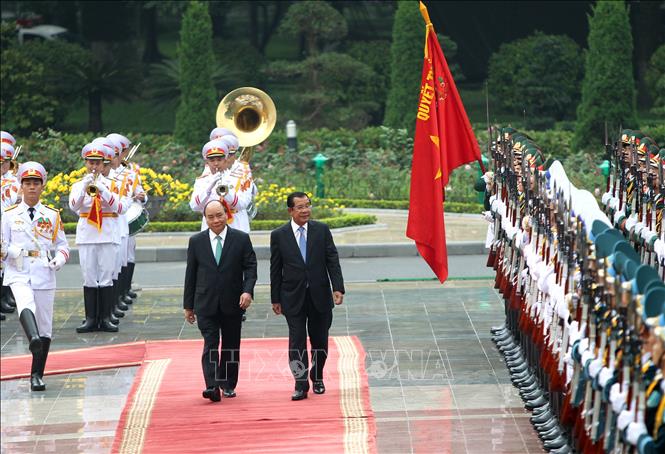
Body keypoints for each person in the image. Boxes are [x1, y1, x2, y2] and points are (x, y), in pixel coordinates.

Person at [1, 161, 69, 391]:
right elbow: (2, 244)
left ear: (42, 186)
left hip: (43, 269)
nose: (31, 187)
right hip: (17, 270)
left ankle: (37, 374)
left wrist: (58, 260)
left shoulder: (51, 214)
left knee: (45, 326)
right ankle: (33, 339)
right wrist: (13, 252)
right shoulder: (9, 215)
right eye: (27, 183)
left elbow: (62, 245)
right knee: (24, 303)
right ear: (20, 186)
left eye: (36, 183)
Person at [270, 192, 345, 400]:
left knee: (320, 340)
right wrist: (275, 298)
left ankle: (318, 375)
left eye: (308, 206)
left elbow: (332, 260)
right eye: (300, 207)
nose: (305, 210)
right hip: (291, 297)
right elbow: (275, 269)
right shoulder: (279, 235)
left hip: (319, 295)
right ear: (290, 211)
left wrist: (337, 287)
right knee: (297, 341)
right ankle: (300, 384)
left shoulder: (321, 230)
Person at [183, 199, 257, 402]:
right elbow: (191, 274)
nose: (216, 220)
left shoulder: (241, 239)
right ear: (205, 218)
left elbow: (250, 268)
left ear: (227, 214)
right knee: (210, 343)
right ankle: (212, 385)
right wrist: (188, 306)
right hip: (205, 302)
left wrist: (247, 291)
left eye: (219, 215)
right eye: (211, 217)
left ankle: (228, 384)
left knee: (231, 344)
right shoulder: (196, 241)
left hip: (233, 301)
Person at [69, 141, 129, 333]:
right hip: (87, 234)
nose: (94, 167)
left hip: (108, 234)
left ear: (105, 164)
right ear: (85, 163)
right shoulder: (79, 184)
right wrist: (84, 186)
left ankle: (105, 318)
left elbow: (120, 208)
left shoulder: (114, 184)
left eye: (98, 163)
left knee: (106, 277)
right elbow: (73, 206)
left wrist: (103, 190)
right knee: (89, 277)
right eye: (90, 162)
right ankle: (90, 319)